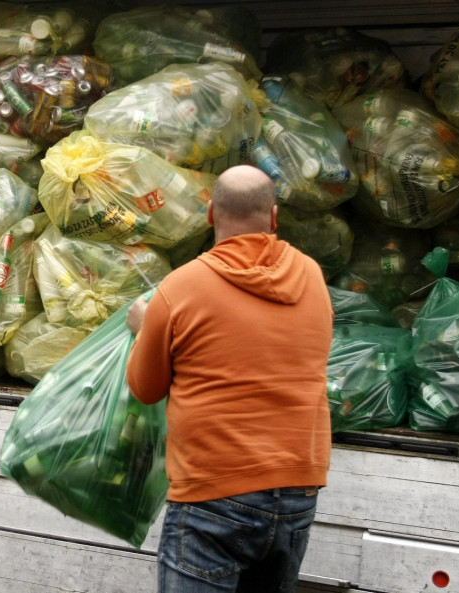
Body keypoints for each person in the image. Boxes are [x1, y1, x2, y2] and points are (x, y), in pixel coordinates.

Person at [125, 165, 334, 593]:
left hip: (213, 491)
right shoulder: (311, 275)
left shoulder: (181, 287)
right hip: (297, 489)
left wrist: (145, 328)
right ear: (274, 217)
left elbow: (145, 390)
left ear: (209, 214)